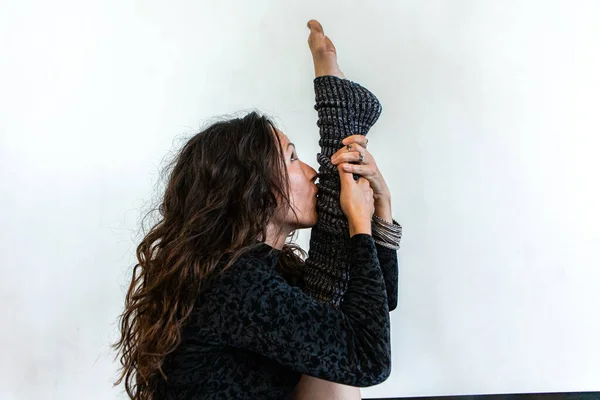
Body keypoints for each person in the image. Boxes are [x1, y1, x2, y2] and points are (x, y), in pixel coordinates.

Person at [112, 20, 401, 400]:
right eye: (293, 158)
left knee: (328, 298)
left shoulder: (261, 268)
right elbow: (368, 357)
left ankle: (341, 112)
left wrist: (381, 211)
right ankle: (340, 113)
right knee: (338, 375)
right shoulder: (236, 287)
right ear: (252, 189)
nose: (312, 171)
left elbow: (377, 300)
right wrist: (359, 227)